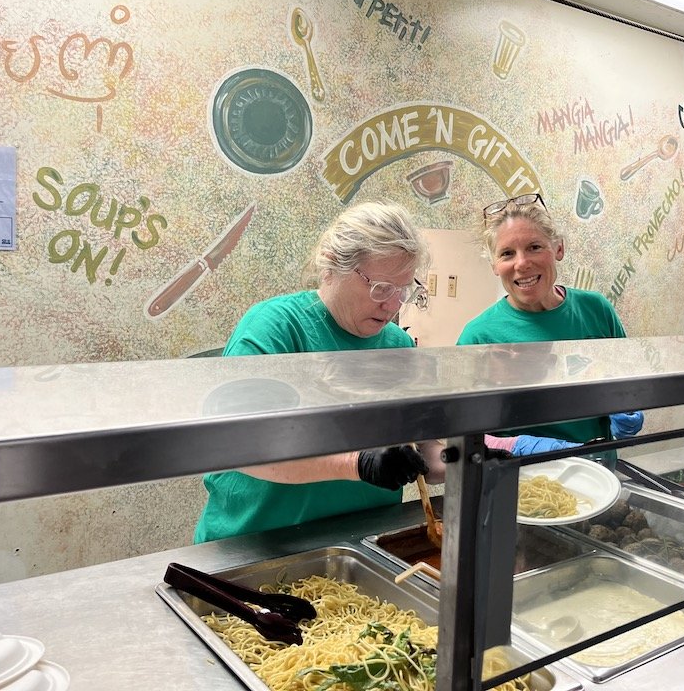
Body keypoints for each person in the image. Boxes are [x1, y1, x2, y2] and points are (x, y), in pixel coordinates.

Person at [195, 200, 444, 543]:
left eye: (403, 291)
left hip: (361, 542)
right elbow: (237, 445)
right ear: (331, 266)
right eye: (380, 288)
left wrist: (474, 457)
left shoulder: (398, 346)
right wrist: (357, 463)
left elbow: (423, 450)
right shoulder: (276, 328)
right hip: (258, 544)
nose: (392, 305)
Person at [456, 193, 644, 458]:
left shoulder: (596, 310)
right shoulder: (478, 337)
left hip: (595, 470)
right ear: (494, 265)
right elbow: (459, 436)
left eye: (534, 247)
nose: (522, 263)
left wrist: (628, 407)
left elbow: (628, 383)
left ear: (558, 248)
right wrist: (517, 446)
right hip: (517, 477)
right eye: (507, 253)